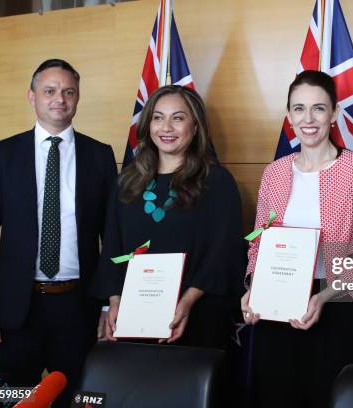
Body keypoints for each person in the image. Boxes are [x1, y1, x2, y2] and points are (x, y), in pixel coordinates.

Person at [0, 59, 117, 407]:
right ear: (32, 96)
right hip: (17, 309)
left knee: (77, 398)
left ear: (78, 98)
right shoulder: (5, 153)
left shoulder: (100, 155)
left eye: (69, 92)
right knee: (16, 399)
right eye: (49, 91)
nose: (59, 99)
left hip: (78, 307)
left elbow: (112, 237)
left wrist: (107, 304)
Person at [241, 70, 353, 408]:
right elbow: (257, 239)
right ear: (289, 115)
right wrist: (251, 288)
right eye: (299, 109)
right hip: (275, 305)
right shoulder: (274, 172)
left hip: (337, 306)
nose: (309, 119)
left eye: (319, 109)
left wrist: (325, 297)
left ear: (334, 114)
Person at [99, 85, 245, 351]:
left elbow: (224, 253)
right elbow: (112, 247)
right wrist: (114, 301)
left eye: (178, 118)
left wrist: (187, 301)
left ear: (196, 126)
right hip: (135, 317)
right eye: (158, 117)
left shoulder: (216, 182)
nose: (166, 127)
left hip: (196, 317)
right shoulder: (126, 182)